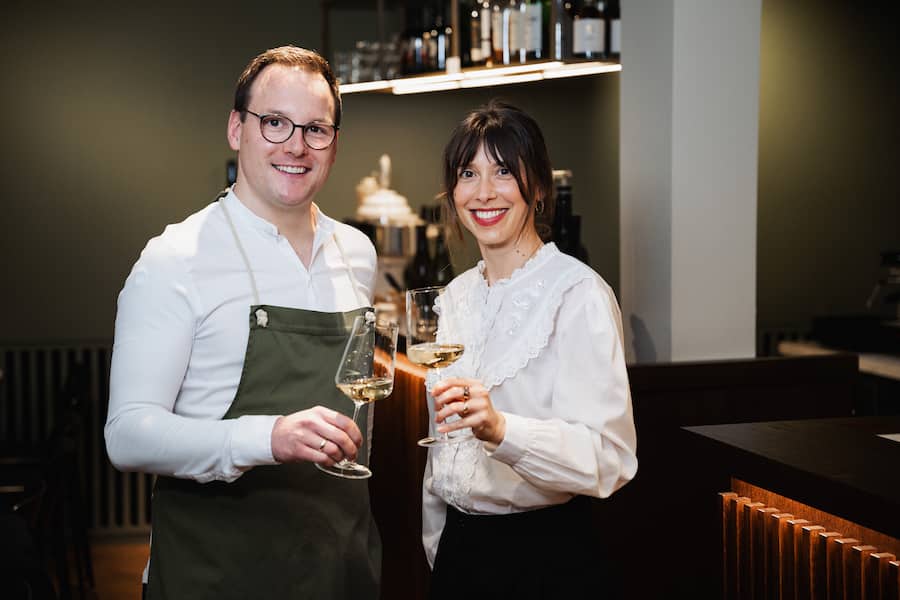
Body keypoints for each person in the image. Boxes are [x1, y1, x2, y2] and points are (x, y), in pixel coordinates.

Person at [105, 46, 381, 599]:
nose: (296, 146)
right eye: (274, 123)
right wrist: (268, 438)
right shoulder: (175, 257)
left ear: (333, 144)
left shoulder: (357, 252)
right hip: (217, 575)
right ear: (236, 129)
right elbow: (128, 435)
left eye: (316, 129)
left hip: (338, 570)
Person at [421, 100, 638, 599]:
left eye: (503, 171)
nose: (484, 192)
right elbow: (442, 453)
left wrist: (502, 429)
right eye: (467, 173)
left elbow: (611, 457)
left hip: (544, 561)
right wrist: (438, 546)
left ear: (538, 187)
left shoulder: (578, 295)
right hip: (459, 557)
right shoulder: (454, 298)